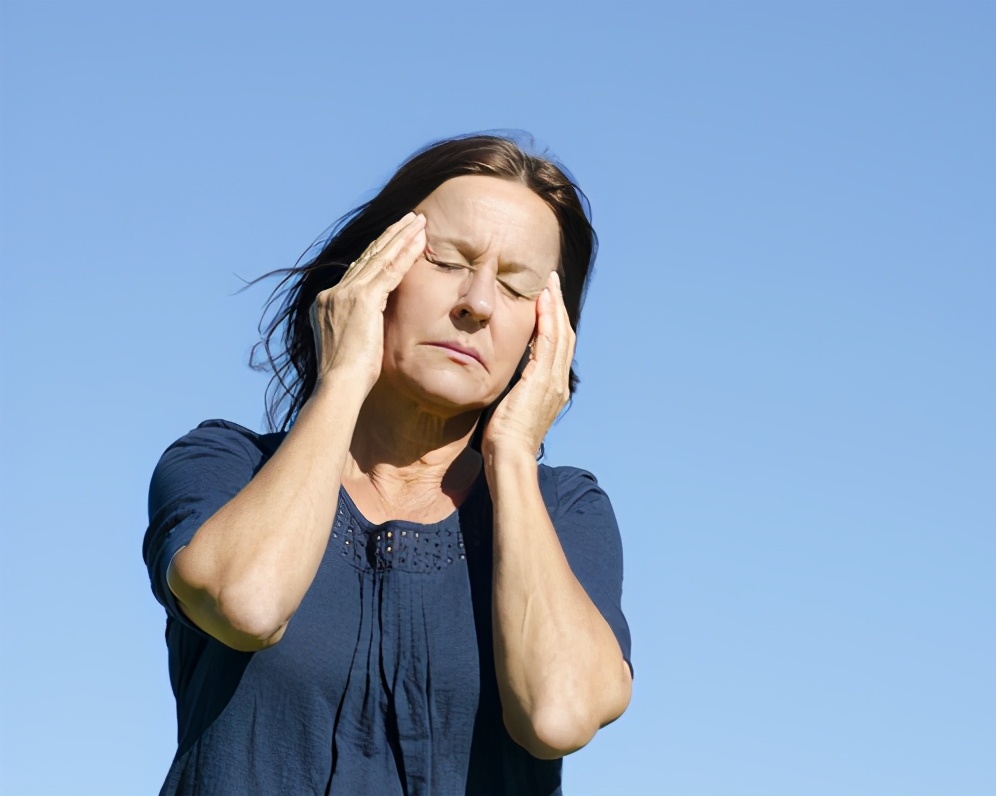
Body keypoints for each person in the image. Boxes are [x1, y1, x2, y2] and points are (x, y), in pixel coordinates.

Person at [142, 133, 633, 795]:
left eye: (517, 288)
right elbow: (247, 606)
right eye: (446, 260)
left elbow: (559, 714)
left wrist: (514, 456)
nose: (478, 304)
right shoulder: (225, 465)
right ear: (372, 273)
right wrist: (343, 377)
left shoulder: (566, 513)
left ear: (546, 335)